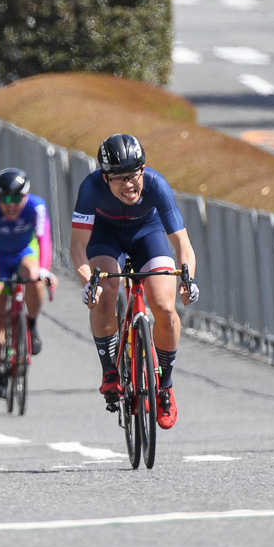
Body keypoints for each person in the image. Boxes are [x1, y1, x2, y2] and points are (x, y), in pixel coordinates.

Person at [70, 134, 199, 429]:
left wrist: (187, 277)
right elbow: (78, 247)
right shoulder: (91, 188)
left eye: (133, 175)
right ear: (105, 178)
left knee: (165, 307)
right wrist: (88, 283)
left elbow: (182, 244)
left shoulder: (156, 184)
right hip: (106, 236)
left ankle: (164, 386)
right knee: (105, 291)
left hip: (147, 234)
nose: (129, 185)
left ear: (143, 170)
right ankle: (110, 373)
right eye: (118, 179)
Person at [0, 169, 59, 398]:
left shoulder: (37, 206)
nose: (11, 205)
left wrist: (44, 269)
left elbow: (44, 238)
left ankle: (30, 324)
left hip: (25, 252)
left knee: (33, 275)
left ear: (27, 195)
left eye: (17, 199)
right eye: (5, 199)